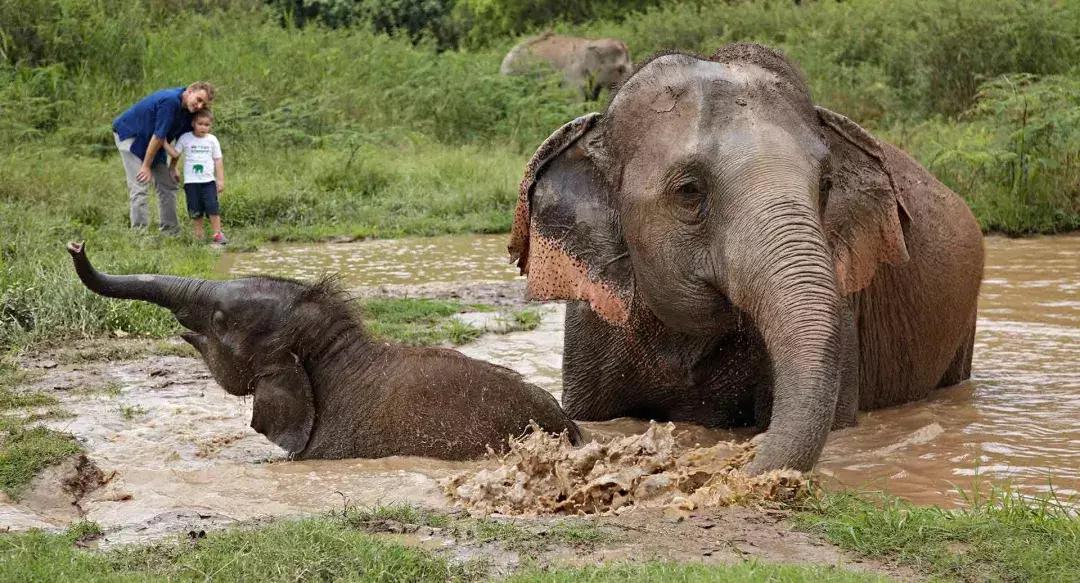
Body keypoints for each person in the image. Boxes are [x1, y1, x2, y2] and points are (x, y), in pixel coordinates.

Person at [112, 82, 215, 233]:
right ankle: (140, 236)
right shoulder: (170, 101)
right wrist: (146, 166)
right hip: (132, 134)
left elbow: (180, 142)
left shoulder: (190, 112)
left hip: (154, 140)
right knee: (140, 183)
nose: (199, 106)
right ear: (190, 90)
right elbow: (159, 136)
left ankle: (170, 231)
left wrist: (173, 168)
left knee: (169, 182)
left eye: (203, 104)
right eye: (198, 99)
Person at [167, 110, 227, 243]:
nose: (203, 127)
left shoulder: (212, 140)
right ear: (193, 123)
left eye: (207, 125)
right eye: (200, 124)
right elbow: (176, 154)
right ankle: (198, 235)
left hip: (208, 181)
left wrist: (220, 179)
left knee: (213, 207)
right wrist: (164, 144)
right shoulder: (185, 138)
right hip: (191, 182)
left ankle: (217, 234)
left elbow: (218, 160)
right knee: (195, 209)